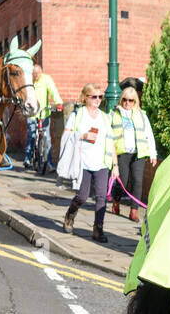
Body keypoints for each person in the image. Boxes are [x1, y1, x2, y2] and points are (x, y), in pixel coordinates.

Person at [61, 84, 114, 243]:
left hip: (102, 162)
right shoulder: (77, 115)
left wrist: (115, 165)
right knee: (82, 196)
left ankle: (98, 229)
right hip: (82, 162)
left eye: (100, 97)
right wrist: (81, 135)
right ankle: (71, 214)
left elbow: (110, 142)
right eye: (94, 96)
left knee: (101, 197)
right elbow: (66, 138)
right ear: (85, 97)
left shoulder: (105, 117)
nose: (98, 100)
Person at [110, 80, 157, 222]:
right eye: (125, 99)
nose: (127, 103)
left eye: (131, 100)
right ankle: (116, 201)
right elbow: (107, 134)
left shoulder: (141, 115)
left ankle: (134, 210)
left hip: (139, 153)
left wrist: (153, 154)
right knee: (122, 181)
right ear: (121, 99)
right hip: (122, 152)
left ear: (135, 101)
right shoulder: (114, 114)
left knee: (137, 181)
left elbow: (149, 134)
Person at [23, 59, 63, 171]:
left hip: (44, 113)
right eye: (34, 74)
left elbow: (53, 91)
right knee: (31, 135)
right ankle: (28, 158)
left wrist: (58, 103)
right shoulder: (28, 80)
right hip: (31, 113)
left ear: (41, 72)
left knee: (47, 138)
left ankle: (49, 163)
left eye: (38, 73)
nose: (36, 76)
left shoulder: (46, 79)